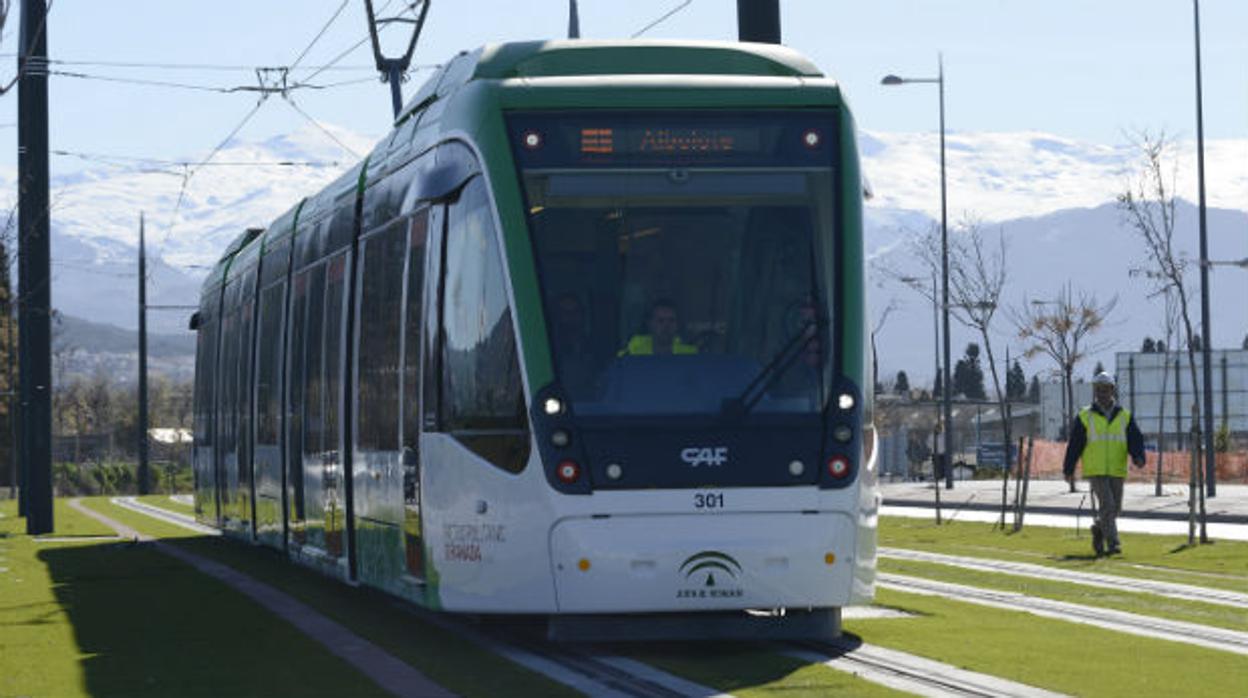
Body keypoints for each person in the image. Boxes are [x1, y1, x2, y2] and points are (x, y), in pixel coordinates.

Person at [1062, 372, 1146, 556]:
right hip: (1096, 469)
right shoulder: (1085, 416)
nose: (1101, 393)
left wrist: (1138, 456)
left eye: (1105, 389)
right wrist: (1068, 469)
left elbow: (1135, 439)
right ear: (1095, 391)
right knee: (1107, 506)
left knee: (1116, 508)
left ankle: (1099, 530)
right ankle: (1114, 544)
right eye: (1098, 389)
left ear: (1112, 390)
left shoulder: (1124, 416)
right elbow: (1075, 444)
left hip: (1117, 468)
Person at [620, 299, 698, 356]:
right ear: (650, 324)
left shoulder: (690, 354)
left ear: (677, 324)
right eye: (660, 321)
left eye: (671, 320)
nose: (667, 326)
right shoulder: (633, 354)